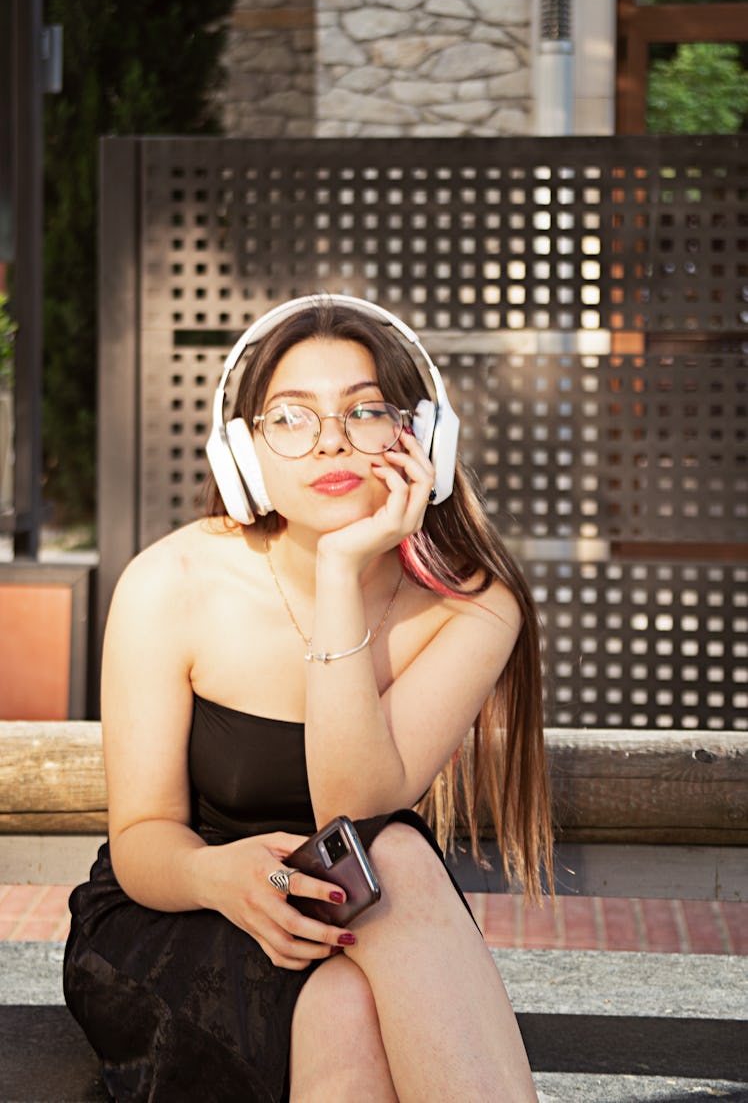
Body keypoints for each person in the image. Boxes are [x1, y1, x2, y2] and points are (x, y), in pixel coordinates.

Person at [64, 294, 554, 1102]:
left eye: (364, 412)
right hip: (184, 909)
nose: (329, 439)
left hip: (356, 912)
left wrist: (339, 572)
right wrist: (219, 877)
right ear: (243, 454)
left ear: (420, 436)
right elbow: (142, 837)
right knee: (380, 889)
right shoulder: (172, 582)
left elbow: (350, 803)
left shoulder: (475, 605)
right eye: (289, 418)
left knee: (380, 876)